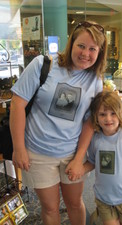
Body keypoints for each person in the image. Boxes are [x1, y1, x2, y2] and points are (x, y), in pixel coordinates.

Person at [9, 20, 107, 225]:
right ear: (71, 43)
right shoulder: (43, 65)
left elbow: (90, 121)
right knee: (51, 208)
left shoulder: (95, 80)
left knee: (74, 203)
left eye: (92, 49)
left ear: (99, 52)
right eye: (81, 45)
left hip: (71, 152)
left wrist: (79, 158)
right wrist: (19, 148)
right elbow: (17, 104)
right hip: (38, 152)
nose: (85, 53)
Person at [81, 91, 122, 225]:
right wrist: (80, 169)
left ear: (120, 114)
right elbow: (93, 162)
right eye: (102, 114)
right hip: (103, 198)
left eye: (113, 113)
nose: (108, 119)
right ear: (96, 116)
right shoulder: (95, 139)